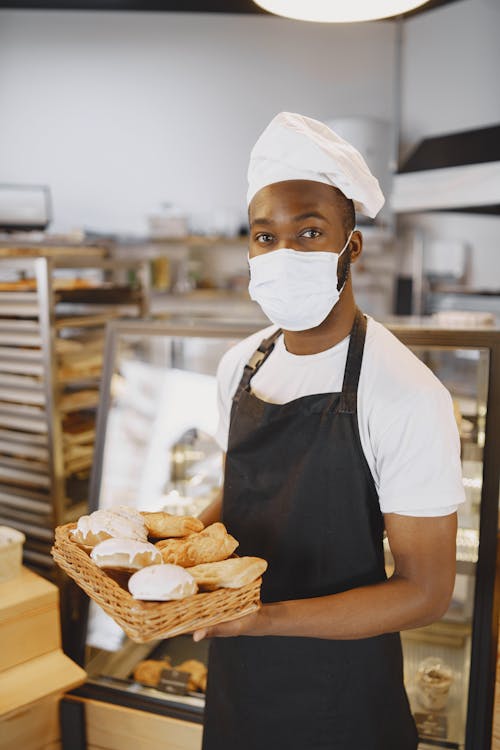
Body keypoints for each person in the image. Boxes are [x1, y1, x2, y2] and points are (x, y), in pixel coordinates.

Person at [193, 112, 465, 750]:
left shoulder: (404, 391)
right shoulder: (242, 365)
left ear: (353, 245)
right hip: (237, 678)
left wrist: (265, 620)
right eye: (265, 236)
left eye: (310, 231)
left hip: (342, 693)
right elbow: (244, 495)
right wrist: (168, 556)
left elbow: (426, 593)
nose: (283, 253)